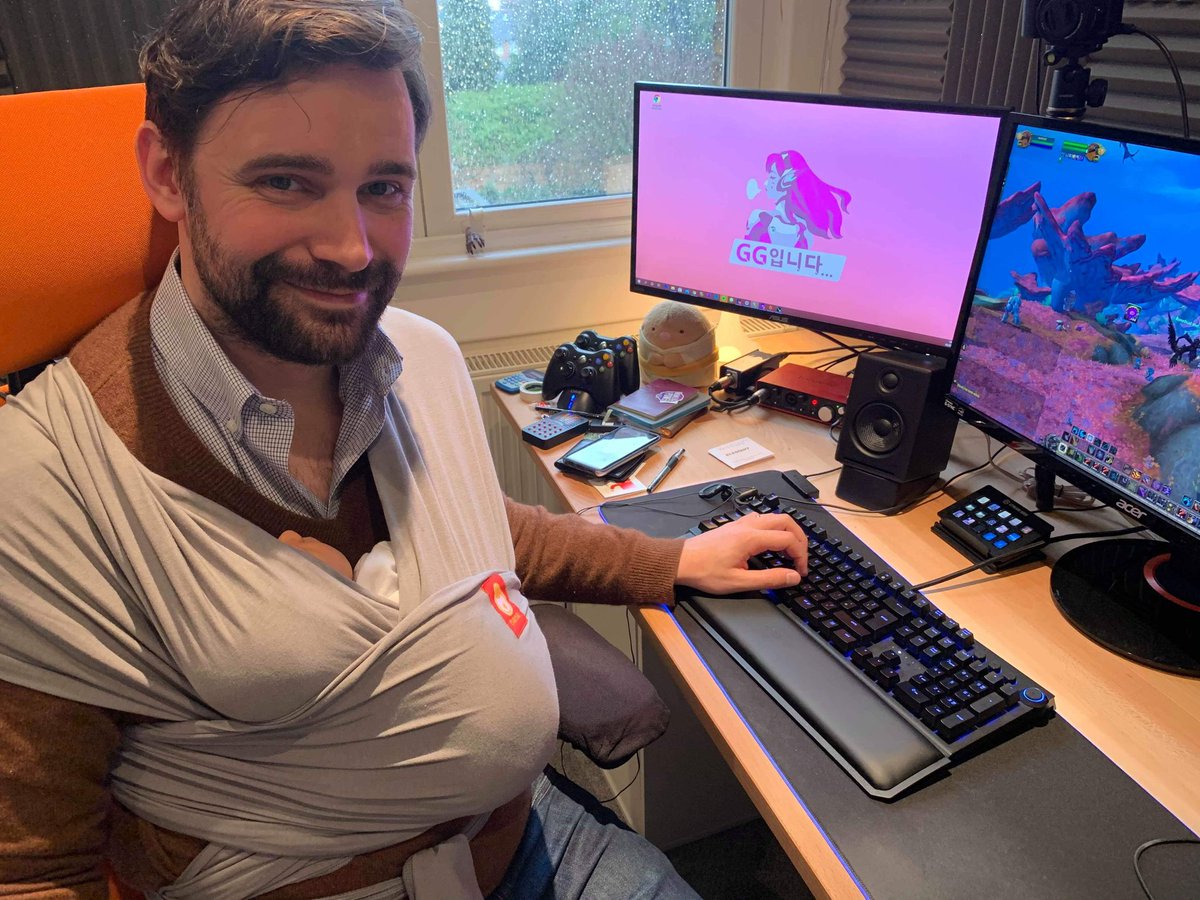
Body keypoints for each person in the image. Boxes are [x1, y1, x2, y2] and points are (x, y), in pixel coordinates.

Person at [0, 2, 809, 898]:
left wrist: (673, 560)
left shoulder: (415, 359)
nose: (351, 249)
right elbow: (33, 872)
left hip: (526, 842)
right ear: (167, 173)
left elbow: (471, 526)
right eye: (286, 181)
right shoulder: (42, 488)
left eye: (383, 188)